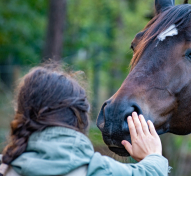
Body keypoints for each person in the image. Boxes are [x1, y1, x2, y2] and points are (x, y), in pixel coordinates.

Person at [0, 64, 168, 176]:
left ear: (21, 115)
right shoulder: (107, 174)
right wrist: (153, 158)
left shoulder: (5, 170)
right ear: (81, 118)